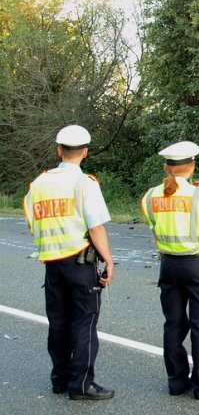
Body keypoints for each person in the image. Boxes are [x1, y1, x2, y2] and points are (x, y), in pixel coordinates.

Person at [23, 125, 116, 400]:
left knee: (59, 322)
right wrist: (108, 260)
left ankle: (59, 379)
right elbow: (96, 227)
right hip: (79, 262)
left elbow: (32, 220)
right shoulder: (84, 183)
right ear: (85, 152)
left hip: (52, 264)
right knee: (84, 323)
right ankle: (82, 384)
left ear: (59, 150)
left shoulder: (37, 184)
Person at [140, 141, 199, 400]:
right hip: (196, 265)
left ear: (166, 167)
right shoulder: (196, 195)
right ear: (191, 167)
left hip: (169, 266)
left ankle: (176, 382)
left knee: (173, 325)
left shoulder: (150, 196)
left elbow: (155, 226)